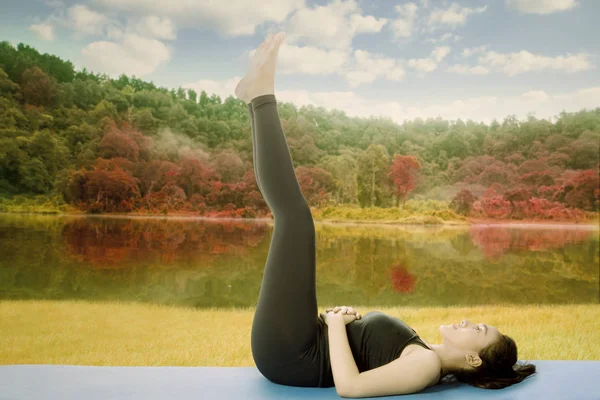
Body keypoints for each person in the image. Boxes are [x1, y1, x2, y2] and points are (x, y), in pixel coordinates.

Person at [234, 31, 536, 398]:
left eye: (478, 330)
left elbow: (350, 387)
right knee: (295, 219)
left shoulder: (425, 366)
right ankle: (255, 97)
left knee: (296, 220)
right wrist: (338, 325)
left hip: (294, 355)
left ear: (474, 359)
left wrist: (334, 325)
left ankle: (260, 95)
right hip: (306, 341)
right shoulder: (422, 351)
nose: (468, 321)